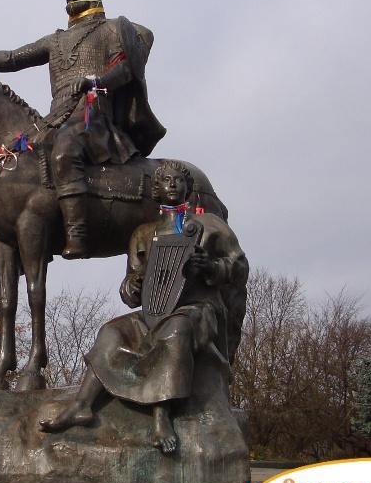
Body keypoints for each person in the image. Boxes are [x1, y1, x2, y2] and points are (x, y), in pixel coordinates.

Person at [38, 161, 247, 454]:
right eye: (165, 181)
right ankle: (81, 406)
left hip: (197, 310)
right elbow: (132, 286)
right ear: (156, 191)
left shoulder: (209, 225)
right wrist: (130, 287)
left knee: (176, 330)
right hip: (153, 313)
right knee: (111, 332)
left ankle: (161, 416)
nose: (172, 185)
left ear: (188, 188)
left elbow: (238, 267)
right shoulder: (143, 234)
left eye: (178, 180)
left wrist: (211, 266)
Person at [0, 0, 165, 258]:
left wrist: (96, 80)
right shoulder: (55, 40)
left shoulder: (112, 29)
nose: (68, 0)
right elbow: (13, 58)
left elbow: (129, 66)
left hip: (93, 118)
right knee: (15, 158)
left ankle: (77, 233)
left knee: (65, 150)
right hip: (54, 120)